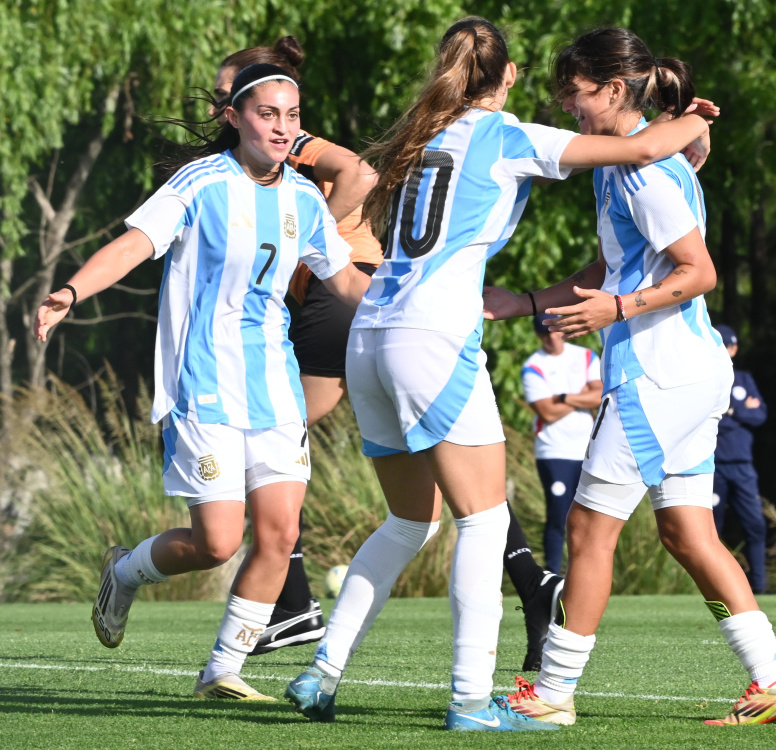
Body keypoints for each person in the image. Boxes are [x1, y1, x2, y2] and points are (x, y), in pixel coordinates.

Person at [284, 16, 717, 732]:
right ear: (507, 76)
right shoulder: (507, 134)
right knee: (484, 523)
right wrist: (692, 121)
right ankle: (468, 701)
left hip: (373, 331)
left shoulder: (423, 133)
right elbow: (638, 145)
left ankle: (321, 673)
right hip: (431, 334)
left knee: (406, 521)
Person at [483, 27, 776, 727]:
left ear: (610, 88)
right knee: (689, 536)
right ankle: (775, 680)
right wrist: (530, 302)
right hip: (687, 377)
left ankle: (549, 694)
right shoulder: (624, 165)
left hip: (657, 379)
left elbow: (700, 272)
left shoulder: (641, 169)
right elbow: (610, 267)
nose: (568, 109)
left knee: (587, 536)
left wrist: (618, 309)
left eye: (573, 96)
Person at [33, 63, 370, 701]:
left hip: (275, 384)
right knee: (218, 542)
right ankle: (125, 572)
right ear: (234, 118)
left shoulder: (303, 198)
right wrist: (72, 290)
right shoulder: (201, 182)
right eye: (267, 114)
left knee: (281, 534)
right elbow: (135, 244)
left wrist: (412, 312)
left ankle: (221, 671)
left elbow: (346, 279)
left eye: (291, 116)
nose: (281, 126)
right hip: (204, 381)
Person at [211, 36, 383, 657]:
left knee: (273, 437)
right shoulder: (252, 154)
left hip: (338, 288)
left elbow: (362, 173)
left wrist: (298, 245)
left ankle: (293, 601)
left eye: (228, 94)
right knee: (285, 441)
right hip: (346, 289)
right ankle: (292, 599)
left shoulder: (287, 146)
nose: (220, 106)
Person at [522, 314, 602, 574]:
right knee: (558, 516)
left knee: (590, 517)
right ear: (539, 336)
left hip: (587, 449)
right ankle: (553, 575)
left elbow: (600, 395)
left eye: (555, 331)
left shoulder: (586, 356)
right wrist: (582, 397)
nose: (552, 338)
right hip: (553, 451)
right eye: (546, 334)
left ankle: (584, 572)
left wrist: (564, 397)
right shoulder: (533, 366)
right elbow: (547, 413)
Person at [712, 324, 769, 594]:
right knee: (710, 530)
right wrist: (739, 411)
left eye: (725, 345)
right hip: (713, 466)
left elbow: (760, 416)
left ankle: (759, 585)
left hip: (742, 465)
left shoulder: (744, 379)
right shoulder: (703, 378)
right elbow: (705, 420)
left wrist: (730, 411)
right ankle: (714, 589)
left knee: (754, 525)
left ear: (733, 349)